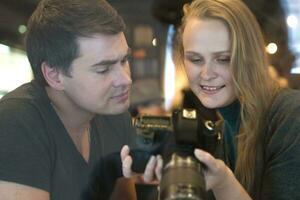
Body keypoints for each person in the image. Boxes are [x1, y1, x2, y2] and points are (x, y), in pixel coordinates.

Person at [0, 0, 161, 199]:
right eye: (103, 69)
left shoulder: (116, 116)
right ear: (55, 75)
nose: (126, 79)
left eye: (124, 60)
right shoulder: (15, 123)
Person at [170, 0, 300, 199]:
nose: (206, 74)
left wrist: (223, 183)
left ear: (249, 57)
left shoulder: (291, 115)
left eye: (223, 59)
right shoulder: (221, 132)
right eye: (195, 59)